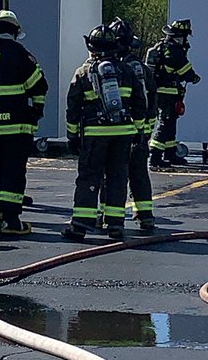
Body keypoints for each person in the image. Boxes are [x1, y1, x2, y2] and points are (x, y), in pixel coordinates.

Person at [63, 25, 147, 242]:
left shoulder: (83, 72)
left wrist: (72, 136)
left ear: (91, 48)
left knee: (89, 177)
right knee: (117, 178)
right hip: (123, 134)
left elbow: (73, 107)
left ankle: (80, 225)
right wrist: (139, 131)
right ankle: (116, 225)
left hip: (95, 134)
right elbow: (140, 102)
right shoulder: (127, 71)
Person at [0, 9, 48, 236]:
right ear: (14, 31)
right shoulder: (21, 55)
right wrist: (36, 111)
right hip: (16, 128)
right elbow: (39, 87)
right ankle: (11, 220)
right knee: (13, 172)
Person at [109, 16, 157, 232]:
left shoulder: (113, 69)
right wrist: (144, 132)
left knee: (113, 174)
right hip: (140, 131)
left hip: (120, 133)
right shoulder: (141, 68)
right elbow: (151, 101)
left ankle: (108, 216)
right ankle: (145, 216)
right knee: (139, 173)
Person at [145, 18, 201, 169]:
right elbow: (186, 72)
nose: (186, 40)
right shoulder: (175, 51)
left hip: (159, 92)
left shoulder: (160, 48)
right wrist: (194, 78)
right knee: (165, 123)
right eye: (185, 36)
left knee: (170, 123)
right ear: (179, 36)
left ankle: (170, 153)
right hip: (167, 92)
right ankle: (155, 156)